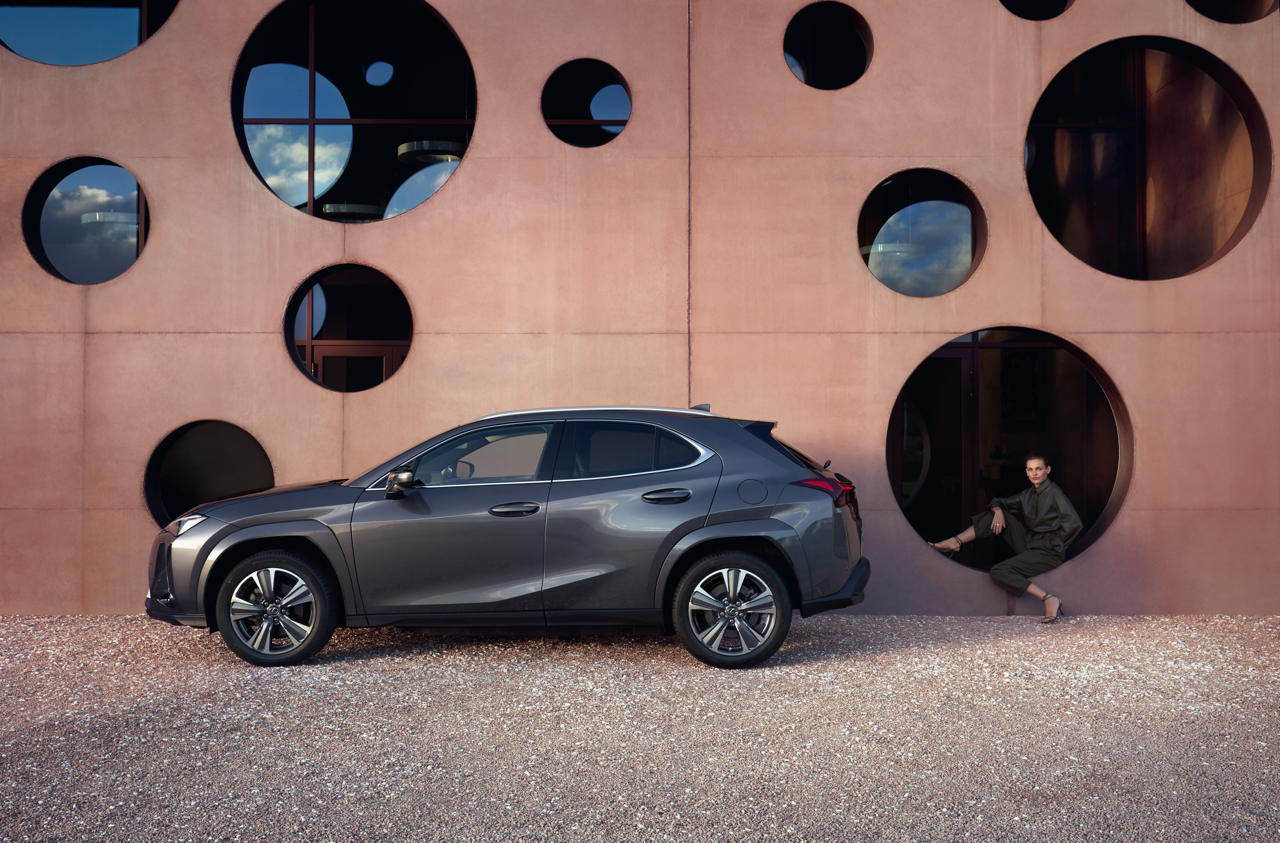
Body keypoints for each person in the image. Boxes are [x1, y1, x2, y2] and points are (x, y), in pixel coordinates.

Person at [929, 452, 1082, 623]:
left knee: (999, 570)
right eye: (1031, 469)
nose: (1035, 473)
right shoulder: (1027, 494)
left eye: (1039, 468)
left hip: (1048, 551)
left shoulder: (1055, 493)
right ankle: (955, 542)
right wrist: (998, 511)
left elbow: (1074, 524)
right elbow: (998, 501)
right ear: (1026, 472)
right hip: (1030, 543)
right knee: (995, 516)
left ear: (1048, 470)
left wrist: (1054, 544)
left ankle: (1048, 598)